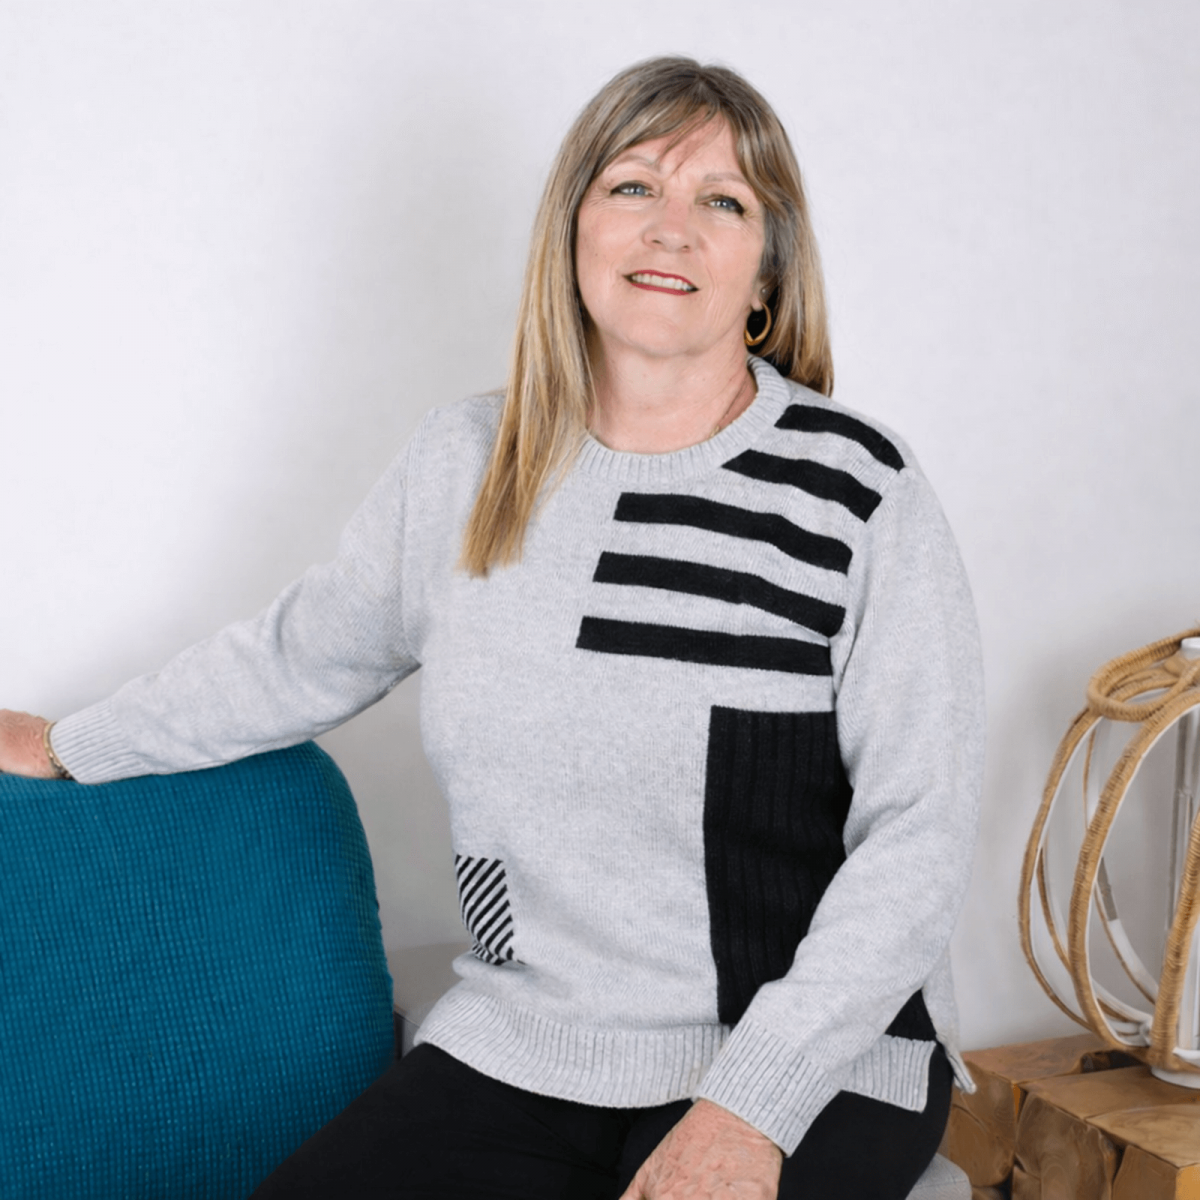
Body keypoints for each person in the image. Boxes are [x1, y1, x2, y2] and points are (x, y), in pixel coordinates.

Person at [0, 57, 985, 1200]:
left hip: (815, 1063)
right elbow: (296, 658)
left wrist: (749, 1107)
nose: (670, 228)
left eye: (722, 200)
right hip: (529, 1042)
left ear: (767, 268)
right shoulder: (466, 465)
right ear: (572, 232)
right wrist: (74, 744)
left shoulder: (857, 491)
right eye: (633, 187)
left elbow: (919, 836)